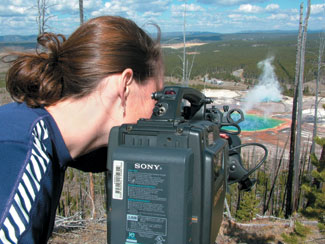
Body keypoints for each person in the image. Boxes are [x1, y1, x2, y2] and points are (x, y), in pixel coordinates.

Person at [0, 16, 163, 244]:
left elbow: (105, 158)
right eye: (157, 96)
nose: (158, 110)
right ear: (125, 85)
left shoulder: (43, 133)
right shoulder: (21, 150)